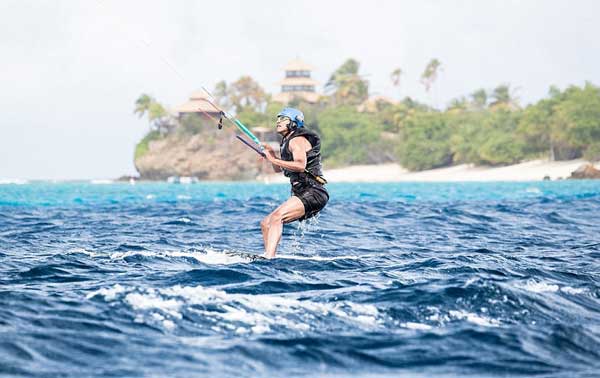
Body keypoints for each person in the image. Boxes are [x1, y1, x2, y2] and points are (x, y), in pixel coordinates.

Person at [260, 108, 329, 258]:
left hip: (314, 191)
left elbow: (300, 165)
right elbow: (278, 169)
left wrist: (272, 159)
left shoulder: (297, 140)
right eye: (278, 118)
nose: (278, 121)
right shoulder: (286, 142)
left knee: (277, 217)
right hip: (303, 192)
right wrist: (272, 154)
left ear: (294, 122)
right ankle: (268, 257)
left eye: (283, 118)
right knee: (266, 223)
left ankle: (269, 257)